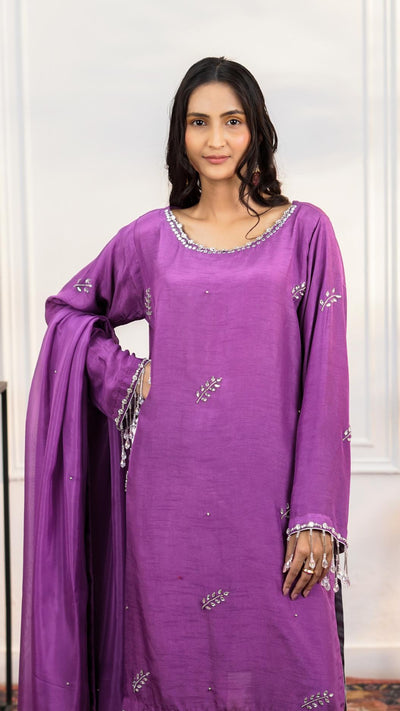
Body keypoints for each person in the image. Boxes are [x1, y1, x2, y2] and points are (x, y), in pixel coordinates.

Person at [18, 56, 351, 711]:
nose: (216, 139)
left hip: (272, 497)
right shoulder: (151, 239)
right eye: (199, 123)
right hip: (168, 495)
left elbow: (326, 379)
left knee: (295, 657)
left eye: (232, 120)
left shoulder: (306, 231)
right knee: (172, 661)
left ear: (257, 128)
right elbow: (69, 312)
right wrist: (127, 376)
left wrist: (315, 513)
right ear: (181, 133)